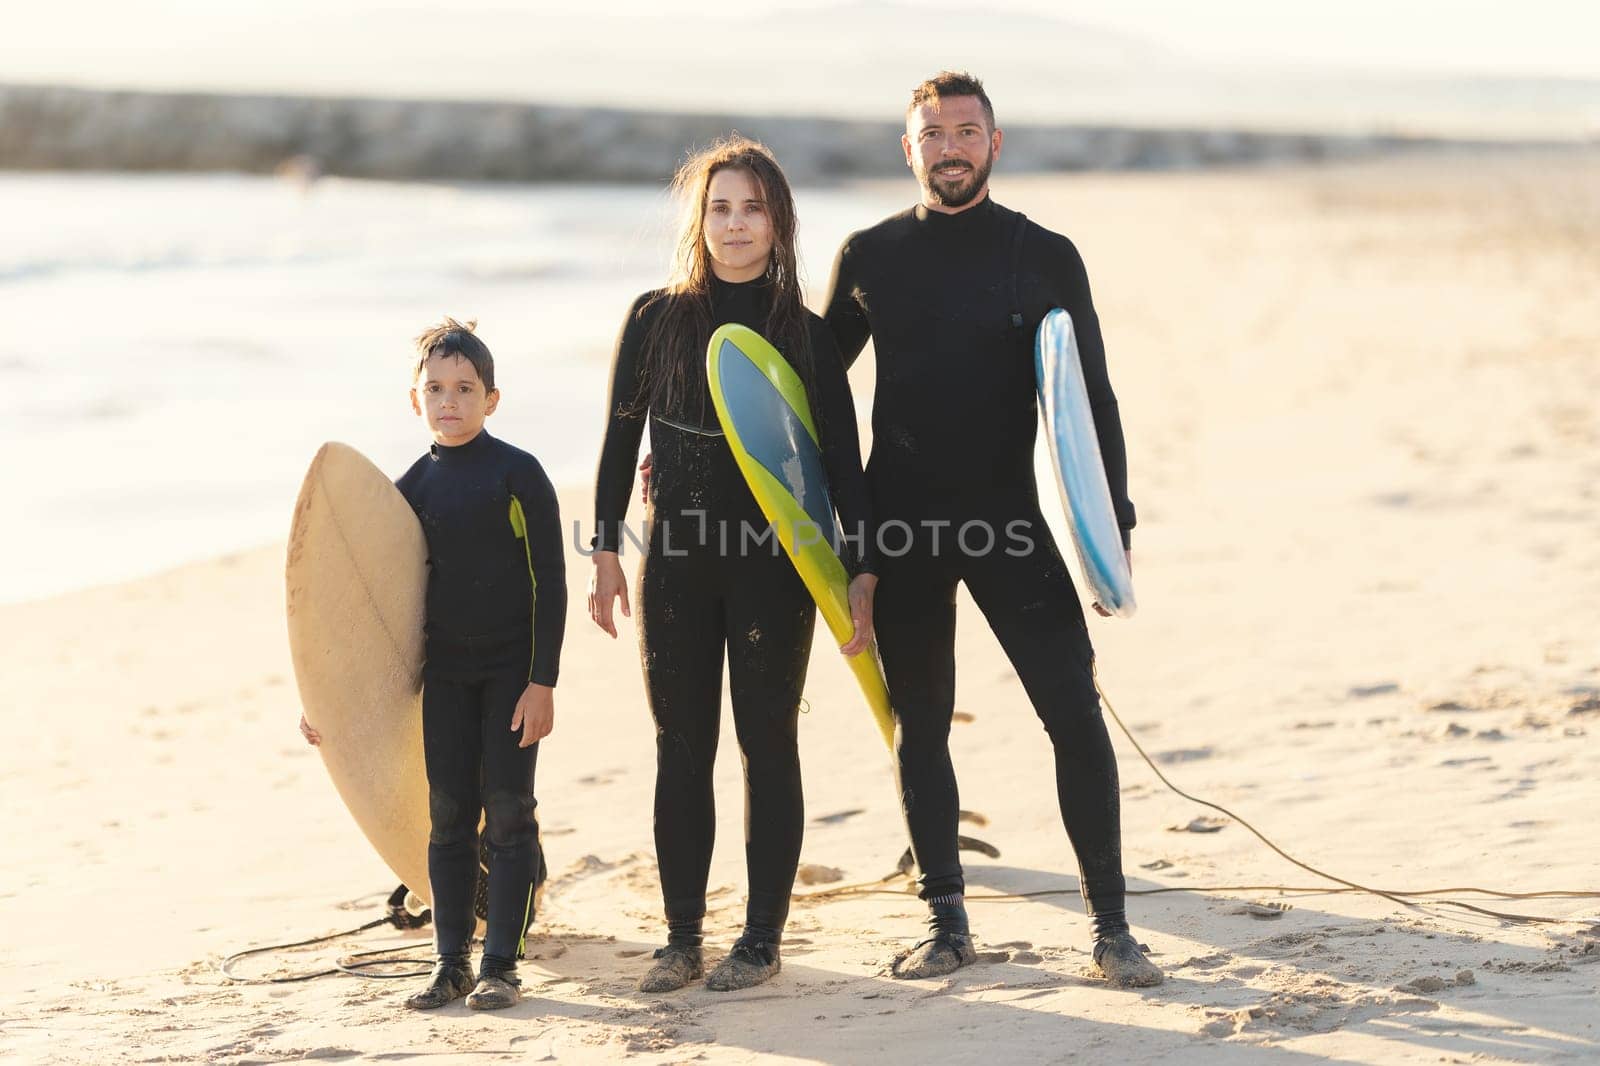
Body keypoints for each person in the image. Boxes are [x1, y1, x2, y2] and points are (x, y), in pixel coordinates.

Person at [821, 72, 1163, 988]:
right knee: (919, 727)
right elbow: (810, 394)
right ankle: (945, 918)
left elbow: (1090, 396)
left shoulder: (1044, 254)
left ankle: (1112, 927)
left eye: (966, 131)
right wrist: (849, 541)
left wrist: (1112, 519)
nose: (950, 147)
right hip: (900, 530)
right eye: (931, 133)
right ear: (909, 149)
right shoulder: (870, 256)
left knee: (1073, 714)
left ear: (995, 144)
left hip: (1009, 524)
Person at [589, 136, 877, 993]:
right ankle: (681, 938)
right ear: (699, 218)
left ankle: (759, 937)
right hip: (675, 564)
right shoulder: (654, 318)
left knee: (766, 743)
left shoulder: (806, 337)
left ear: (778, 222)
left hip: (772, 571)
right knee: (681, 747)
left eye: (753, 208)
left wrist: (858, 569)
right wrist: (605, 549)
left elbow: (843, 465)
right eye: (721, 207)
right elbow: (617, 442)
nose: (736, 224)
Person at [392, 318, 567, 1010]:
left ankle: (502, 963)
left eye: (465, 388)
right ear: (416, 401)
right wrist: (331, 705)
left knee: (510, 814)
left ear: (492, 399)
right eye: (435, 388)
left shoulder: (518, 474)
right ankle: (449, 960)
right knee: (448, 817)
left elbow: (549, 581)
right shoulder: (408, 492)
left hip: (510, 675)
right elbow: (374, 606)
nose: (450, 401)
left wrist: (543, 680)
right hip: (446, 678)